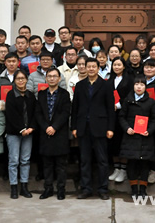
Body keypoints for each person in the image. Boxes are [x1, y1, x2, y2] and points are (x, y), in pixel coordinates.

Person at [71, 58, 115, 200]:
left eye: (93, 67)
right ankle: (86, 188)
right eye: (88, 66)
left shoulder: (106, 85)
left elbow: (110, 109)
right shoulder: (79, 85)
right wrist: (74, 127)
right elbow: (75, 108)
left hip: (101, 128)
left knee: (102, 160)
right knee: (84, 160)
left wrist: (110, 128)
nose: (90, 69)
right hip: (83, 127)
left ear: (98, 68)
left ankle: (103, 189)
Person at [119, 76, 155, 198]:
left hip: (145, 137)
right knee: (131, 162)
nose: (139, 87)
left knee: (144, 164)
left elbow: (154, 119)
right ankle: (133, 189)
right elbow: (121, 117)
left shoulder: (151, 101)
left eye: (142, 85)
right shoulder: (127, 100)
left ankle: (142, 189)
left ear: (146, 87)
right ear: (133, 86)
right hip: (131, 136)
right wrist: (127, 128)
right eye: (137, 84)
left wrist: (149, 130)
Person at [35, 68, 71, 200]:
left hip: (59, 133)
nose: (52, 78)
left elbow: (65, 113)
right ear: (46, 78)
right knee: (47, 164)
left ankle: (61, 190)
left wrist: (54, 127)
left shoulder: (64, 94)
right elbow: (38, 113)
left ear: (59, 78)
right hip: (45, 134)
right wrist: (46, 127)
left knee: (61, 165)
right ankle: (48, 189)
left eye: (54, 76)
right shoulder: (41, 94)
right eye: (49, 76)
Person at [4, 70, 36, 199]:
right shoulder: (11, 95)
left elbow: (35, 113)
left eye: (23, 78)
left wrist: (31, 128)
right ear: (14, 81)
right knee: (13, 160)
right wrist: (22, 129)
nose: (21, 81)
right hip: (14, 133)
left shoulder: (31, 95)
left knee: (25, 160)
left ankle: (24, 186)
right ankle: (13, 187)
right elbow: (11, 115)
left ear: (27, 80)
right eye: (18, 79)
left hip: (29, 132)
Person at [108, 57, 133, 183]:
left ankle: (123, 170)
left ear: (124, 66)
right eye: (114, 64)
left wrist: (118, 105)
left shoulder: (129, 80)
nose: (116, 67)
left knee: (123, 142)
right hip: (111, 116)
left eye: (119, 64)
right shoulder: (109, 80)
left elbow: (130, 97)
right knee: (113, 143)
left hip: (124, 115)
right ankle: (116, 168)